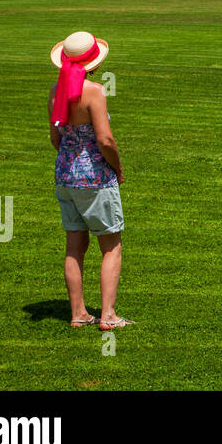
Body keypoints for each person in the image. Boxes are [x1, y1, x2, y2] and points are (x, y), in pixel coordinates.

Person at [48, 30, 133, 331]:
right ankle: (108, 315)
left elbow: (55, 138)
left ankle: (79, 313)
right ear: (93, 63)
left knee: (74, 246)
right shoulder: (94, 91)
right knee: (111, 245)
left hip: (65, 176)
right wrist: (118, 169)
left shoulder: (55, 92)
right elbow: (105, 140)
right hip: (94, 178)